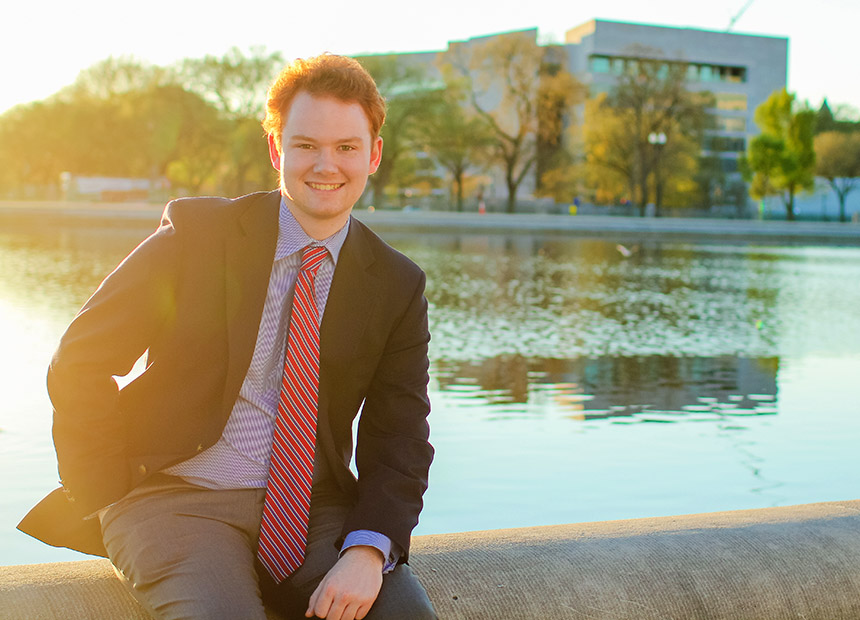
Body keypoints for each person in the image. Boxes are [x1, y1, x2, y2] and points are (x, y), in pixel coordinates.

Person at [18, 54, 437, 620]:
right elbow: (80, 359)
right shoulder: (200, 235)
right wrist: (104, 489)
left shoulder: (395, 283)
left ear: (373, 155)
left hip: (314, 510)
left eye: (346, 147)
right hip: (175, 502)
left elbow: (400, 435)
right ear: (276, 150)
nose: (326, 165)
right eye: (306, 145)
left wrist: (368, 547)